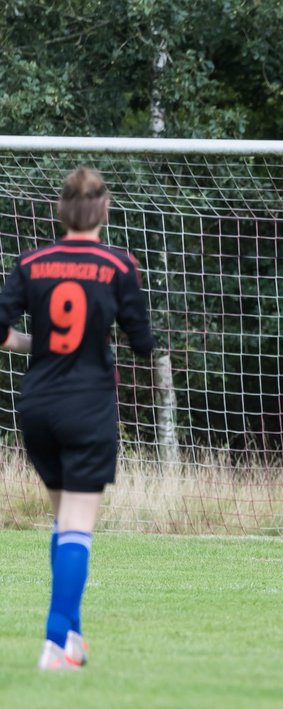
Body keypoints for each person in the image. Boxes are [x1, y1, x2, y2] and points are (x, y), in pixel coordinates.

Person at [0, 166, 155, 670]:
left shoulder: (32, 262)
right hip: (87, 405)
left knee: (62, 521)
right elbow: (142, 342)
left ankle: (72, 639)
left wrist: (34, 343)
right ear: (104, 210)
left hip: (38, 405)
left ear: (60, 211)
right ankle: (53, 642)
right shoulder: (117, 265)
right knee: (78, 526)